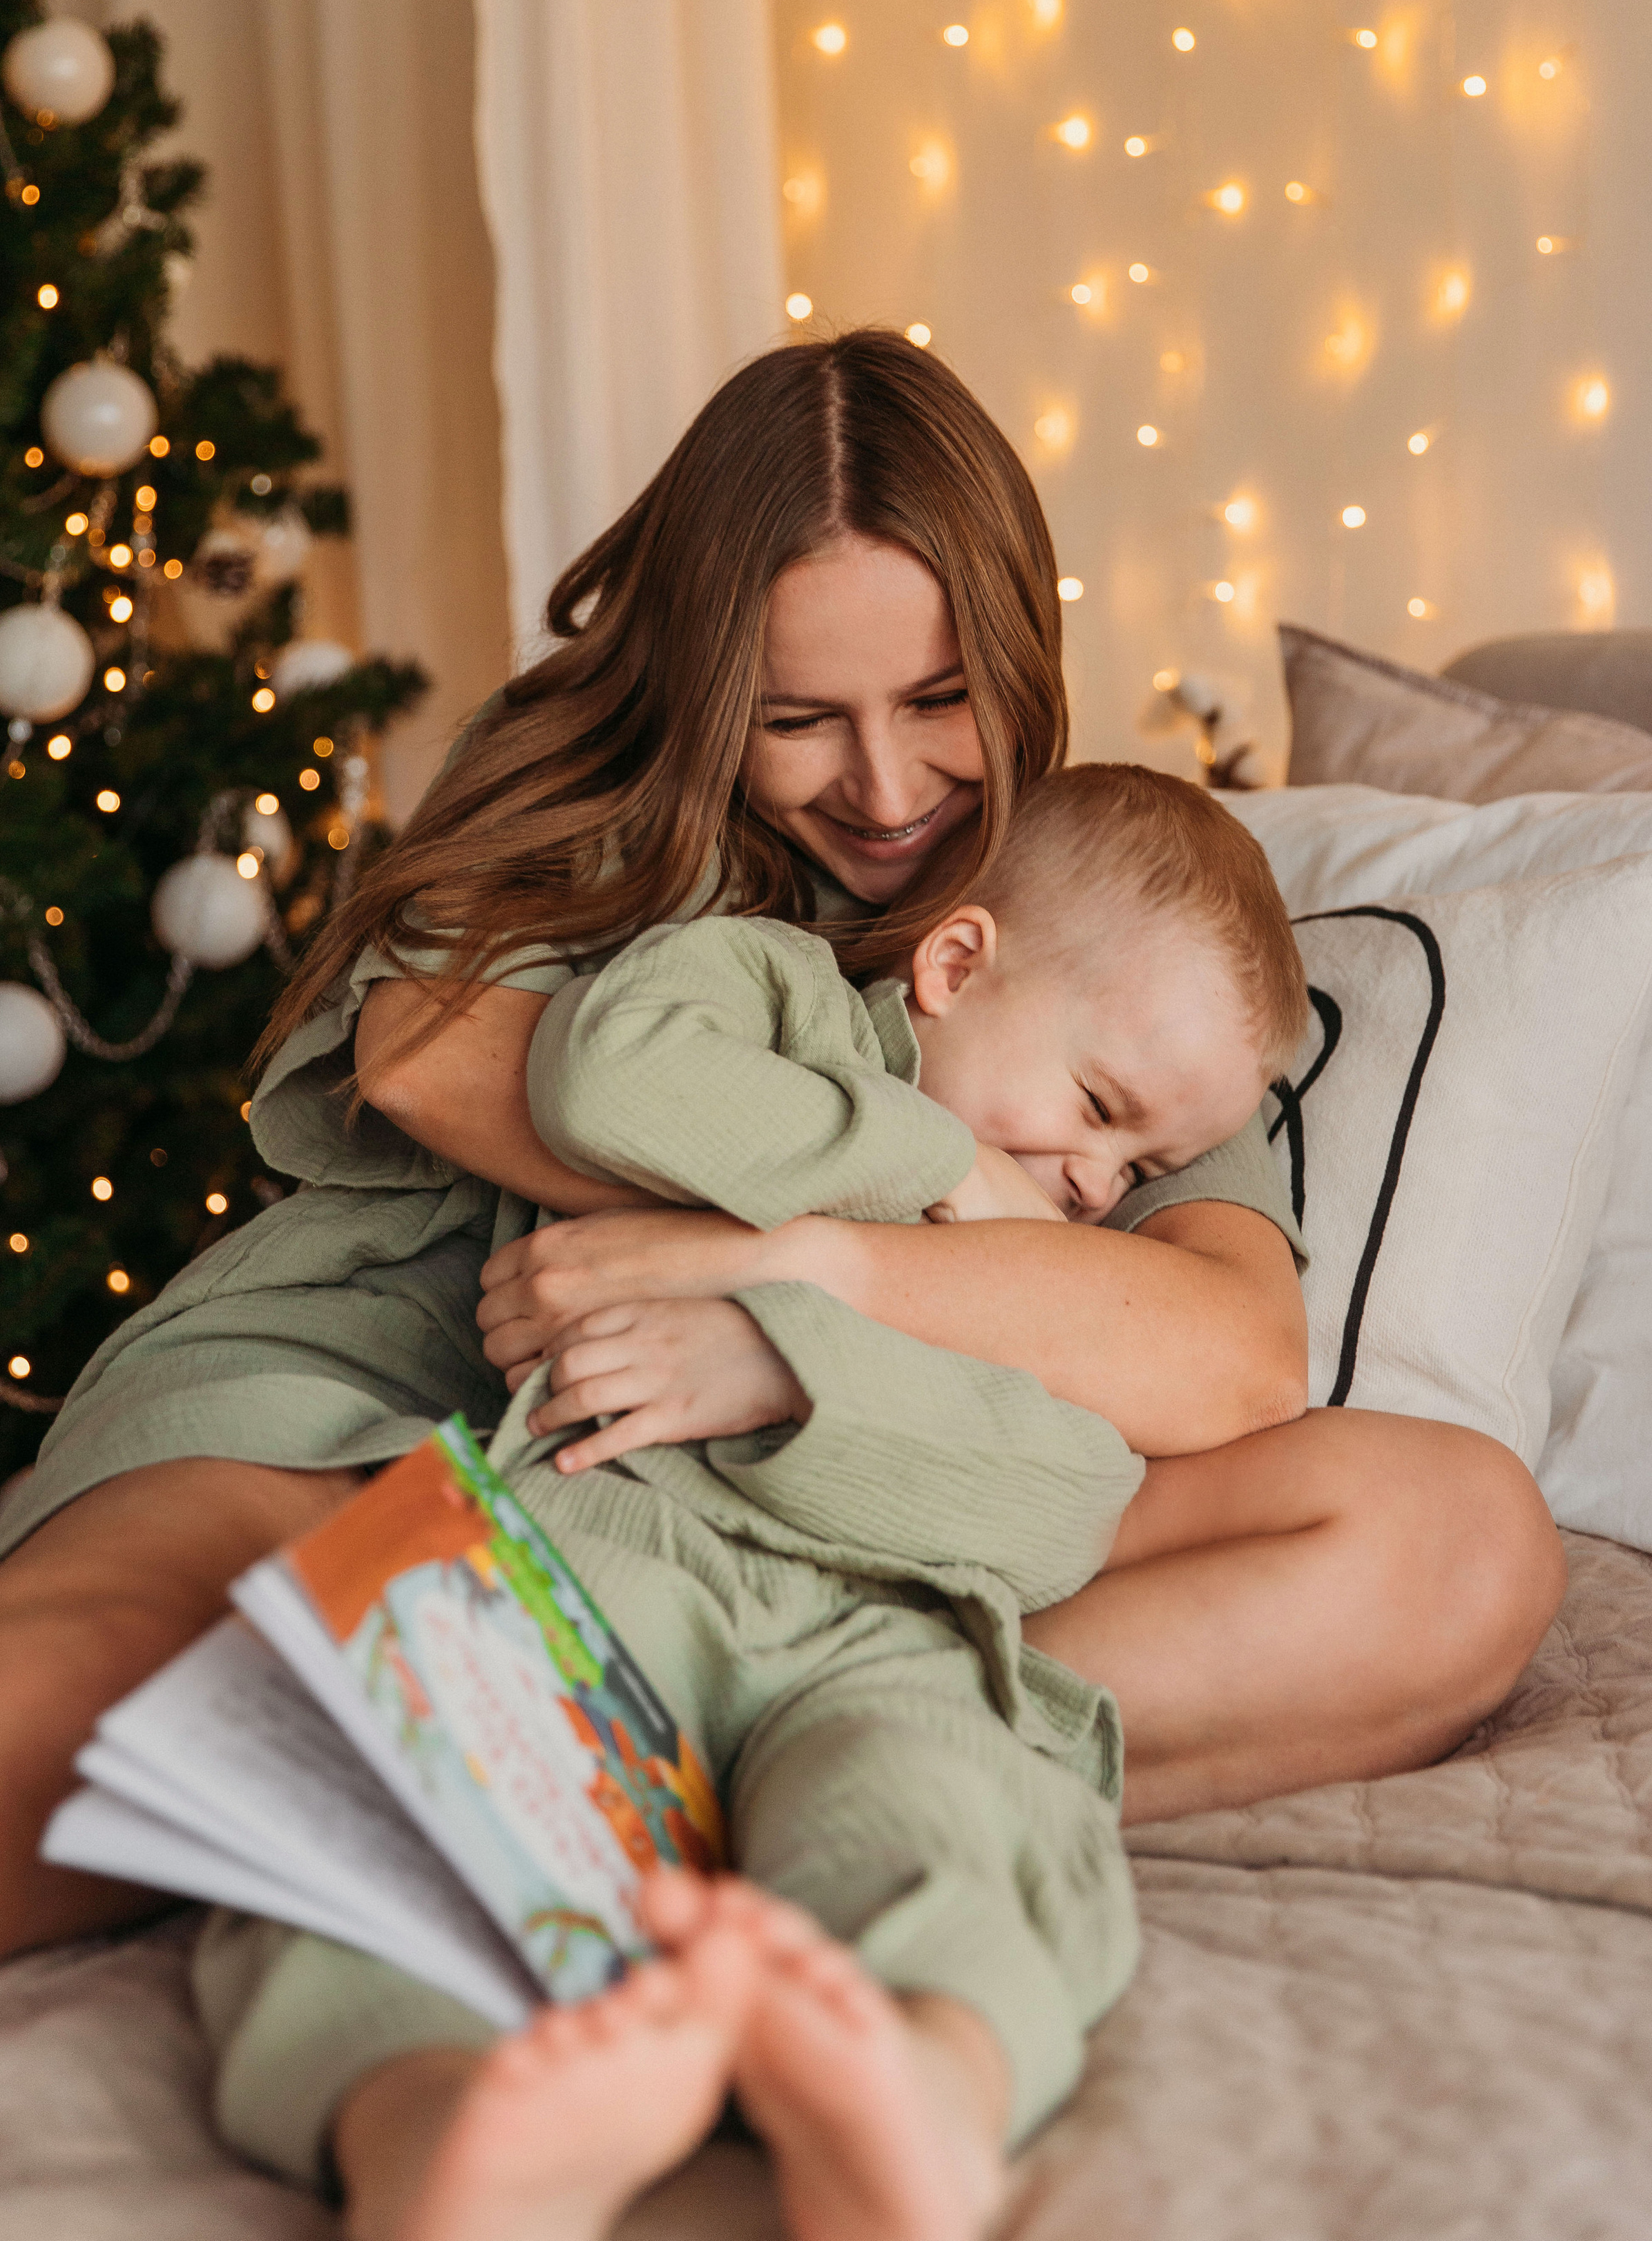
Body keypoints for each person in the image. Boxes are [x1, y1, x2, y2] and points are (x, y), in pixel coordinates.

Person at [0, 328, 1563, 2043]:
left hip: (865, 1504)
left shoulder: (1116, 939)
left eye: (936, 704)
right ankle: (529, 1748)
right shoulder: (586, 792)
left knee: (1459, 1543)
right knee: (19, 1713)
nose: (890, 789)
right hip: (388, 1398)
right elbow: (429, 1058)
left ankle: (652, 1748)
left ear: (1015, 658)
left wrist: (790, 1284)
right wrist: (927, 1205)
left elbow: (1227, 1354)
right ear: (704, 685)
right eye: (798, 722)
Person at [195, 760, 1309, 2232]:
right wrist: (931, 1155)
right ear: (956, 960)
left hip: (889, 1618)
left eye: (1143, 1163)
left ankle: (921, 2087)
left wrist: (788, 1366)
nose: (1100, 1186)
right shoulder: (768, 995)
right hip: (602, 1535)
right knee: (373, 1771)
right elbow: (605, 1076)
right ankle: (434, 2131)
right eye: (1097, 1110)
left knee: (949, 1810)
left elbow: (1068, 1501)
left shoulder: (1054, 1271)